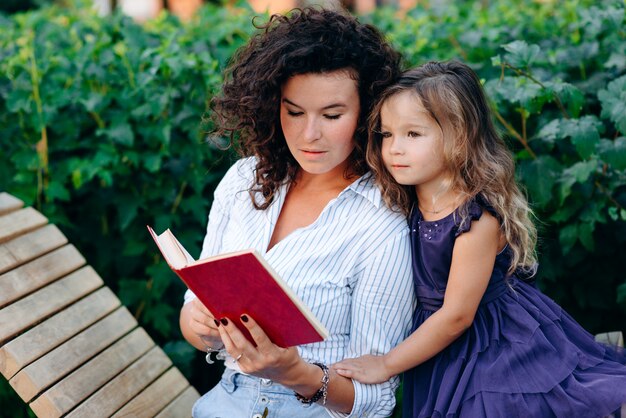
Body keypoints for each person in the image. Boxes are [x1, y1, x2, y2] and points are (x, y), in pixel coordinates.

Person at [333, 60, 626, 417]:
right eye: (386, 134)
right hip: (438, 343)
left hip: (493, 344)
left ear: (460, 136)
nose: (394, 148)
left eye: (413, 134)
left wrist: (386, 364)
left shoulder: (475, 217)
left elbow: (457, 315)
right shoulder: (404, 198)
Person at [179, 8, 416, 418]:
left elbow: (376, 400)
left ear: (368, 113)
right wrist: (199, 326)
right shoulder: (242, 181)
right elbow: (195, 321)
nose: (310, 135)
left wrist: (295, 372)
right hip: (222, 402)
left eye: (332, 115)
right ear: (272, 105)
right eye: (294, 112)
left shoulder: (381, 223)